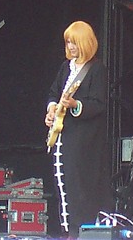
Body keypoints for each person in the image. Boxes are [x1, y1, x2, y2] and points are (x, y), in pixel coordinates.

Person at [44, 21, 113, 238]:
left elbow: (99, 104)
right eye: (68, 42)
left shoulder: (96, 70)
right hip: (62, 136)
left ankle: (79, 229)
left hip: (83, 139)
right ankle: (67, 229)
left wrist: (75, 105)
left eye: (74, 42)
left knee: (78, 185)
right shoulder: (66, 67)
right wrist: (51, 109)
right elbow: (54, 93)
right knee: (62, 181)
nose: (71, 46)